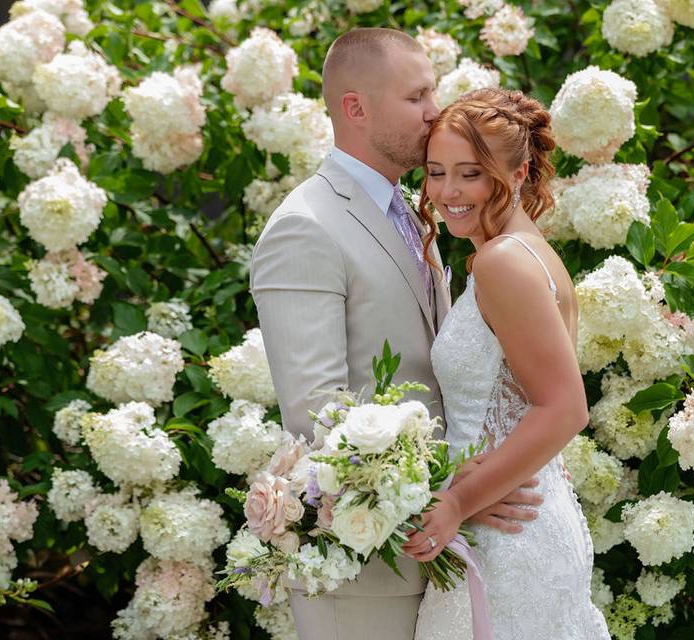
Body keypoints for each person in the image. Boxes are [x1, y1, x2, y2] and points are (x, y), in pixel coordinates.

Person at [249, 30, 542, 640]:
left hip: (441, 551)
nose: (436, 109)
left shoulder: (413, 209)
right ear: (356, 108)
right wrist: (458, 496)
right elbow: (317, 412)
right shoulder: (305, 227)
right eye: (417, 95)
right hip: (366, 572)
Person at [404, 88, 611, 639]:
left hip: (507, 538)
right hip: (514, 515)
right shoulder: (524, 253)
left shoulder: (503, 263)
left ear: (519, 173)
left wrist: (457, 501)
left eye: (471, 173)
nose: (448, 192)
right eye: (436, 171)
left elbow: (564, 408)